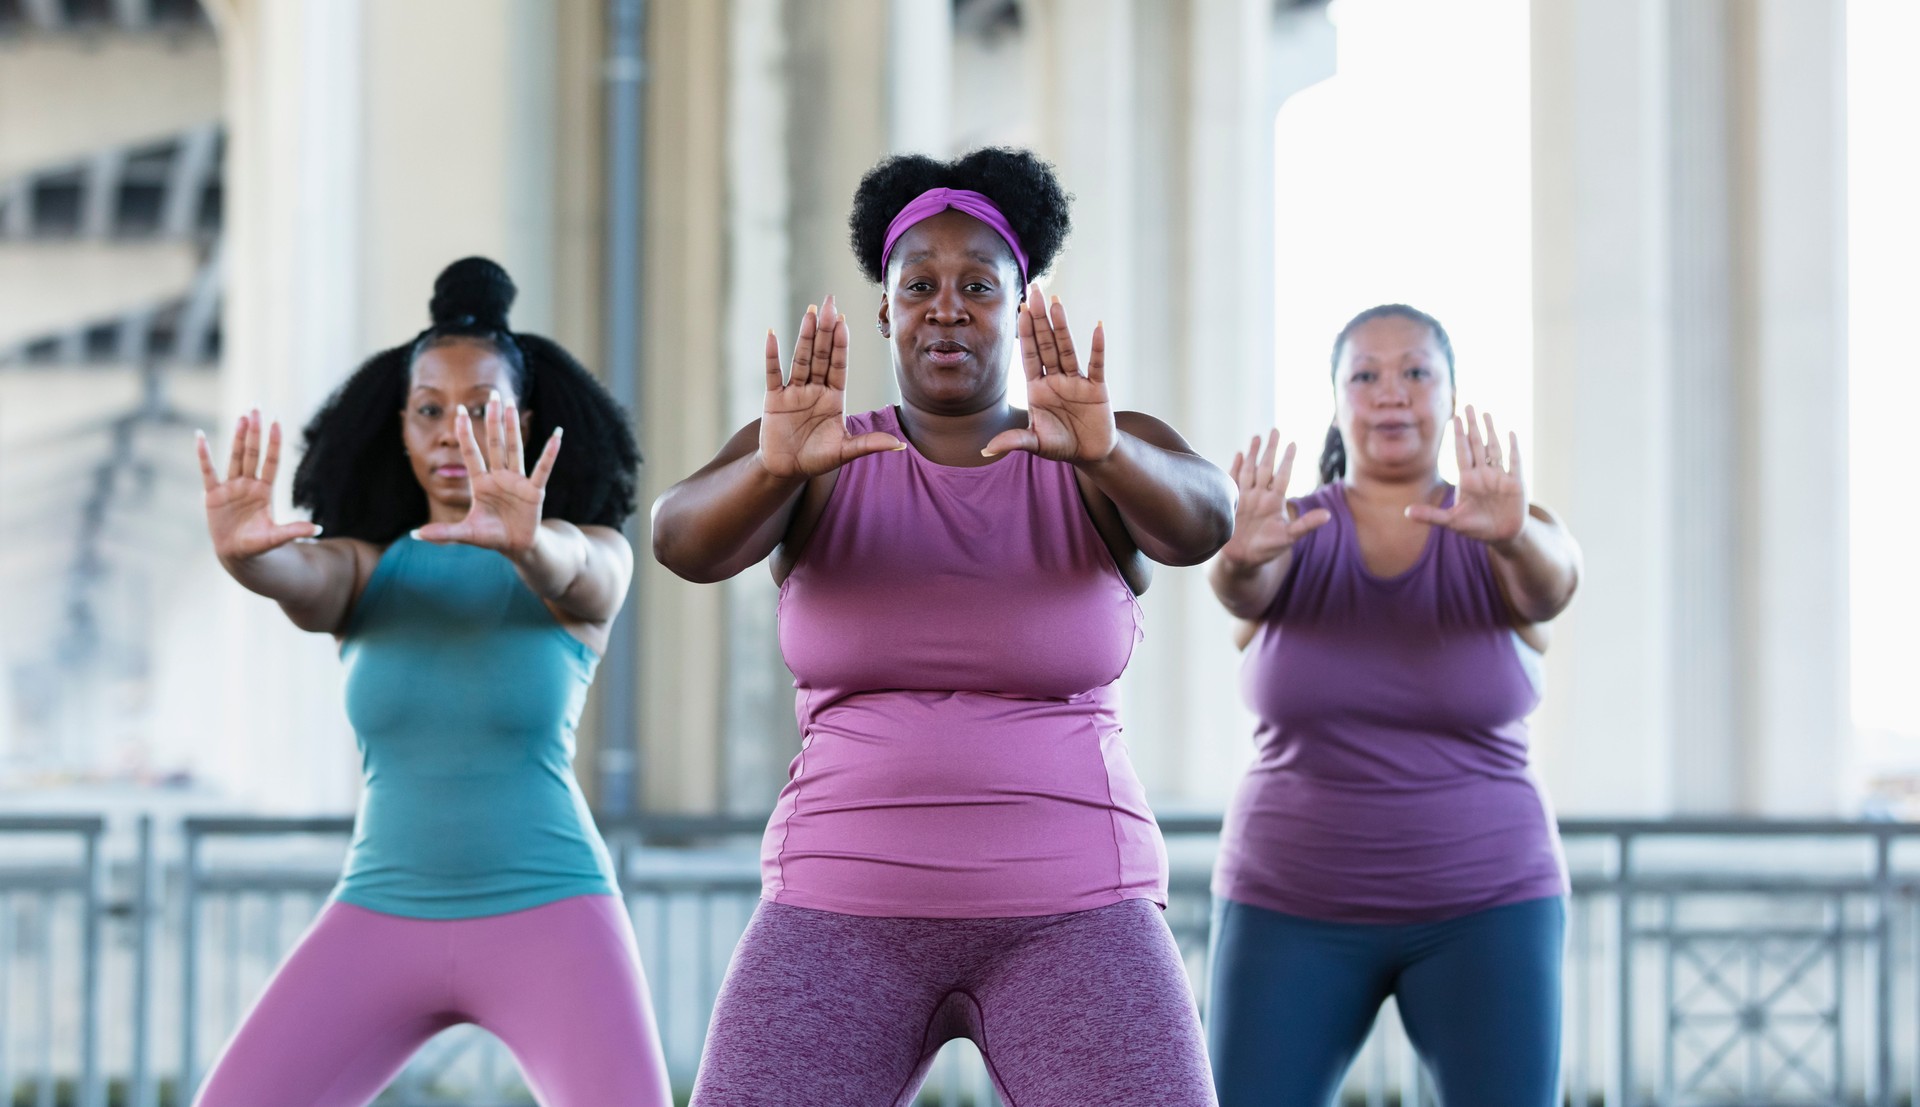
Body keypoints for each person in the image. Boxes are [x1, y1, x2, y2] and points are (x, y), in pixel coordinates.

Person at [653, 147, 1234, 1106]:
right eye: (918, 283)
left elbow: (1203, 520)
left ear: (1023, 301)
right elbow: (682, 541)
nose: (947, 306)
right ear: (884, 309)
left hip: (1077, 909)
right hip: (839, 907)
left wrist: (1105, 451)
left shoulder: (1098, 445)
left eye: (979, 284)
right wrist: (776, 469)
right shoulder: (815, 451)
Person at [191, 257, 670, 1107]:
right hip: (380, 907)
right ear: (400, 428)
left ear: (521, 420)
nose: (454, 431)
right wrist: (248, 562)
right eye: (430, 411)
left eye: (480, 409)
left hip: (553, 912)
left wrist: (526, 542)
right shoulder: (366, 571)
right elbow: (300, 580)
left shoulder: (583, 553)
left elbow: (582, 575)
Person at [1205, 304, 1581, 1106]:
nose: (1391, 392)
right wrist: (1239, 553)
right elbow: (1240, 589)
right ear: (1337, 400)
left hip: (1487, 905)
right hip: (1288, 904)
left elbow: (1553, 585)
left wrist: (1511, 535)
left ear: (1451, 395)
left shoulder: (1509, 532)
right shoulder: (1290, 531)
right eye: (1364, 375)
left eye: (1416, 371)